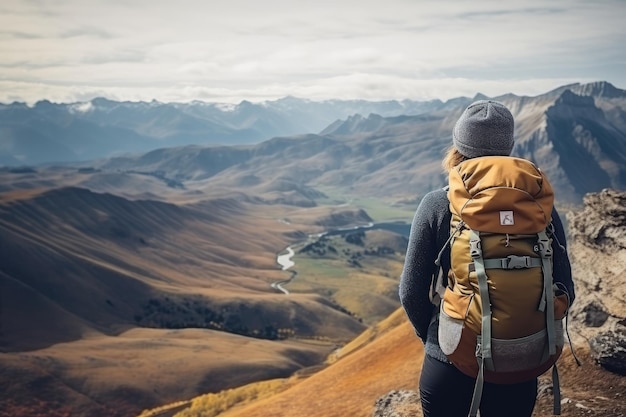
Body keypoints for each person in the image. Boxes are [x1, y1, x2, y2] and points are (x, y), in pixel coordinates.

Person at [398, 100, 576, 417]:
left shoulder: (438, 203)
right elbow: (565, 288)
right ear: (508, 147)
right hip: (522, 358)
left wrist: (437, 337)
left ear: (458, 145)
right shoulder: (539, 209)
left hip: (449, 357)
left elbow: (410, 292)